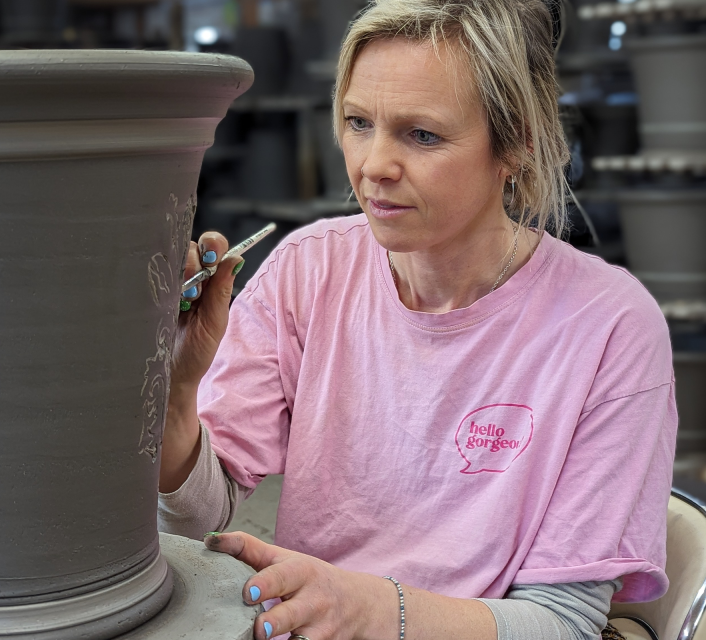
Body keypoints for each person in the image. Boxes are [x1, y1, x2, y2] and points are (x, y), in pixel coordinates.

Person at [157, 1, 677, 639]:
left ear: (515, 144)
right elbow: (197, 518)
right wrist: (176, 395)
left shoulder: (609, 327)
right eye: (358, 122)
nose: (373, 165)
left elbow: (562, 624)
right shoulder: (307, 272)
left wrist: (373, 610)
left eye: (421, 134)